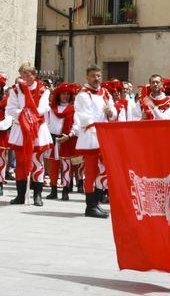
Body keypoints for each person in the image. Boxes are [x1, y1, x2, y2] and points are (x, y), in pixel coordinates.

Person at [6, 63, 54, 206]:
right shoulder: (15, 90)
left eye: (28, 74)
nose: (26, 78)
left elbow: (44, 107)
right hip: (21, 128)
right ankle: (20, 195)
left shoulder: (43, 89)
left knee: (37, 162)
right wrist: (24, 114)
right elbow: (10, 108)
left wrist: (31, 114)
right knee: (20, 162)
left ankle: (37, 195)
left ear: (34, 74)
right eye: (23, 75)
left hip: (37, 128)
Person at [74, 65, 117, 218]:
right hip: (92, 136)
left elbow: (112, 110)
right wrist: (101, 120)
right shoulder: (83, 95)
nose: (96, 79)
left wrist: (111, 112)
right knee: (91, 172)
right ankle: (90, 206)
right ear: (87, 77)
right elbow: (85, 116)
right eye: (93, 76)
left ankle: (97, 202)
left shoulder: (105, 92)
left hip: (104, 136)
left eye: (98, 76)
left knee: (103, 170)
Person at [46, 83, 80, 201]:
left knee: (66, 166)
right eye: (63, 94)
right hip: (53, 139)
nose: (65, 96)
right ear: (58, 95)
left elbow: (77, 125)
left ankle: (65, 191)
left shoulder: (73, 109)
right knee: (53, 166)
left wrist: (70, 135)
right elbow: (45, 124)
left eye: (67, 94)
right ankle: (53, 189)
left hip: (67, 139)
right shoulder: (50, 109)